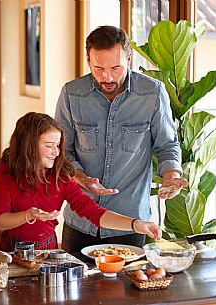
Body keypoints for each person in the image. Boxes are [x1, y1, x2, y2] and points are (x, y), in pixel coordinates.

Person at [54, 25, 189, 254]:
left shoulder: (152, 93)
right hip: (81, 221)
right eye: (99, 68)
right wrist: (82, 178)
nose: (107, 76)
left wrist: (171, 177)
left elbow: (167, 145)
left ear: (128, 58)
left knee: (129, 287)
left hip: (131, 222)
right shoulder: (71, 94)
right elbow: (62, 151)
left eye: (116, 67)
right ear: (88, 60)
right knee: (75, 288)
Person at [0, 112, 162, 252]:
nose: (56, 153)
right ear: (28, 145)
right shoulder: (6, 172)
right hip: (11, 249)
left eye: (58, 146)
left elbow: (93, 211)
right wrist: (29, 215)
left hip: (47, 249)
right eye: (49, 146)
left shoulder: (61, 175)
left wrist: (136, 224)